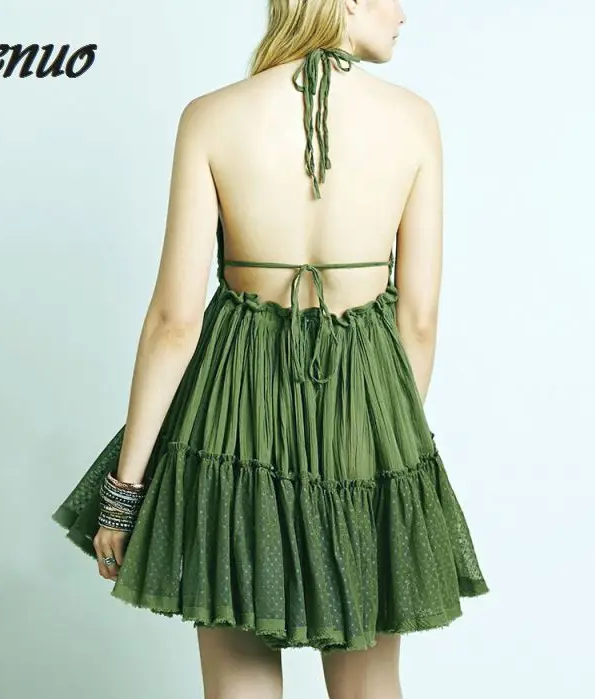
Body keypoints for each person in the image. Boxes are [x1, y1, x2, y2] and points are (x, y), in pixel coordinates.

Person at [52, 1, 489, 697]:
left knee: (240, 683)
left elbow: (174, 320)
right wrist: (385, 443)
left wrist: (123, 492)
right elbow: (419, 319)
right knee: (370, 683)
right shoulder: (413, 120)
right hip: (365, 408)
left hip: (231, 413)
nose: (403, 12)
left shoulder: (211, 116)